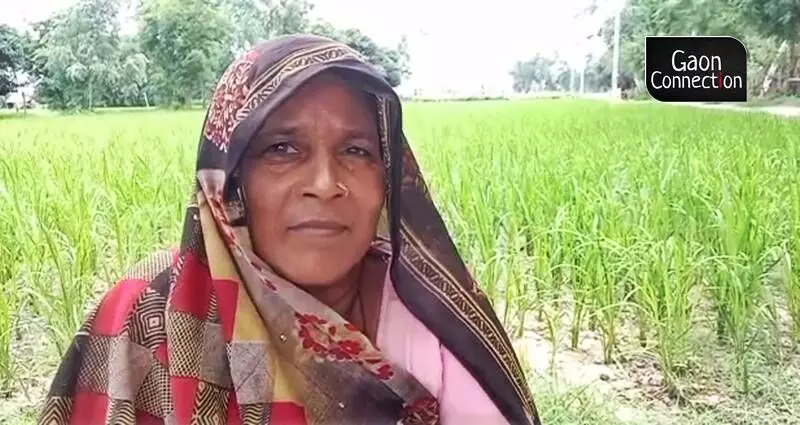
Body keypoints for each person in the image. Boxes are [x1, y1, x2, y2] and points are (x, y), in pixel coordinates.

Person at [38, 34, 541, 425]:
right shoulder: (149, 314)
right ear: (230, 182)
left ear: (387, 179)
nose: (325, 185)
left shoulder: (437, 311)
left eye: (356, 151)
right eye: (282, 148)